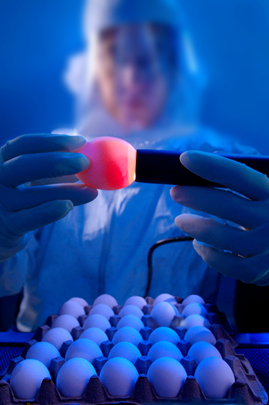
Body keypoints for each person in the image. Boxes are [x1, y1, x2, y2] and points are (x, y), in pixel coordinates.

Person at [0, 0, 266, 332]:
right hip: (46, 367)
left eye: (153, 51)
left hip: (181, 365)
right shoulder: (45, 163)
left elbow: (251, 310)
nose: (132, 73)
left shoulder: (227, 167)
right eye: (114, 52)